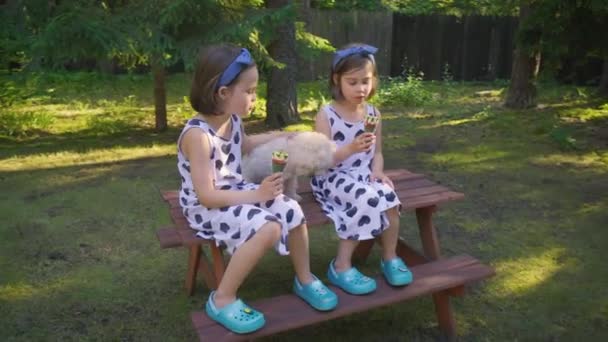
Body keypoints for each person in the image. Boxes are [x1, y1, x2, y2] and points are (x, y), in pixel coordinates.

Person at [177, 44, 337, 334]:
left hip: (236, 192)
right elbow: (206, 196)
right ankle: (222, 298)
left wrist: (286, 136)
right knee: (268, 228)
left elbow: (247, 145)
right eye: (249, 91)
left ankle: (305, 279)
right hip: (205, 208)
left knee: (291, 208)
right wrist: (257, 195)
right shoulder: (198, 136)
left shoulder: (232, 121)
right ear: (223, 93)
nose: (255, 96)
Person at [311, 43, 413, 295]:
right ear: (337, 80)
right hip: (332, 177)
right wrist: (349, 149)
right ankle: (341, 266)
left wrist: (377, 171)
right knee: (365, 198)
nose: (360, 88)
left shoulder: (373, 114)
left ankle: (389, 257)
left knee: (389, 198)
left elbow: (377, 153)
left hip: (363, 175)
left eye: (365, 81)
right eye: (353, 82)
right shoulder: (327, 115)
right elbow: (321, 160)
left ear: (374, 80)